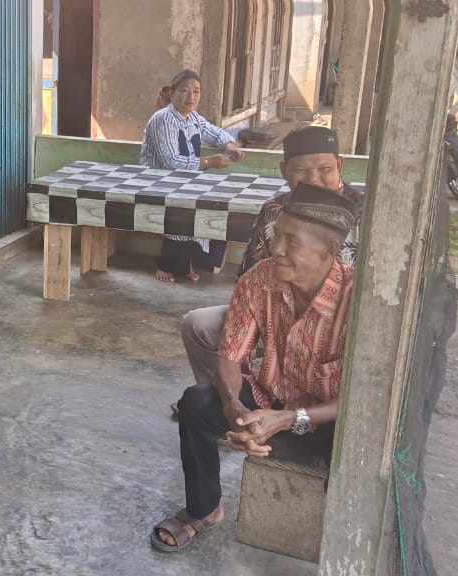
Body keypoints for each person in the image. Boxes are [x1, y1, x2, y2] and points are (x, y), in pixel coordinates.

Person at [150, 183, 357, 552]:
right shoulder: (258, 280)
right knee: (197, 403)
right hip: (269, 400)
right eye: (277, 235)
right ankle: (204, 510)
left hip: (328, 420)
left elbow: (361, 400)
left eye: (291, 241)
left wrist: (289, 418)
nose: (276, 248)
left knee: (358, 442)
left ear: (329, 250)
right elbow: (229, 358)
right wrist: (237, 413)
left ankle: (343, 531)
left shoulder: (358, 300)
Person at [171, 126, 363, 418]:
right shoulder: (275, 209)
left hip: (337, 328)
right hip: (275, 312)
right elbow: (251, 272)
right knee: (198, 326)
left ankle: (304, 414)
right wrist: (248, 329)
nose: (314, 179)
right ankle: (226, 400)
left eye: (324, 169)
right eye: (301, 170)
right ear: (285, 171)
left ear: (339, 165)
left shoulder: (366, 212)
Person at [141, 69, 245, 283]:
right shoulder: (163, 119)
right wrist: (209, 162)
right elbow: (171, 162)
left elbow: (214, 132)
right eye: (184, 91)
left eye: (196, 91)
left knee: (219, 203)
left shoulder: (193, 118)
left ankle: (194, 260)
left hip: (183, 180)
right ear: (172, 93)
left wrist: (229, 144)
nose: (191, 97)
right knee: (183, 209)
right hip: (157, 181)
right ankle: (167, 265)